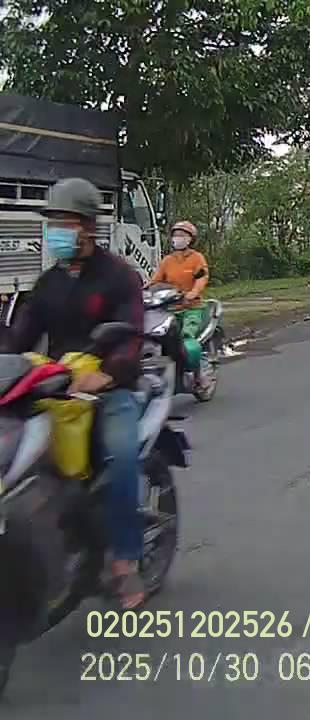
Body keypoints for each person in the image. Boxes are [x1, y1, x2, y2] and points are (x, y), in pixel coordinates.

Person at [0, 178, 146, 608]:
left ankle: (125, 560)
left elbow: (131, 336)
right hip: (55, 388)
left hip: (108, 389)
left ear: (88, 226)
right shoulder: (48, 283)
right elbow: (19, 340)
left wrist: (107, 374)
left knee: (122, 455)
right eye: (53, 223)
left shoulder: (120, 277)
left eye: (64, 222)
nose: (56, 231)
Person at [150, 221, 211, 391]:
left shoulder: (196, 258)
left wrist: (193, 292)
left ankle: (199, 376)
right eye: (176, 235)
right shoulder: (167, 261)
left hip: (192, 308)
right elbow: (155, 281)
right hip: (170, 309)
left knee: (186, 338)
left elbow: (202, 277)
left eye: (182, 235)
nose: (178, 238)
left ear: (190, 239)